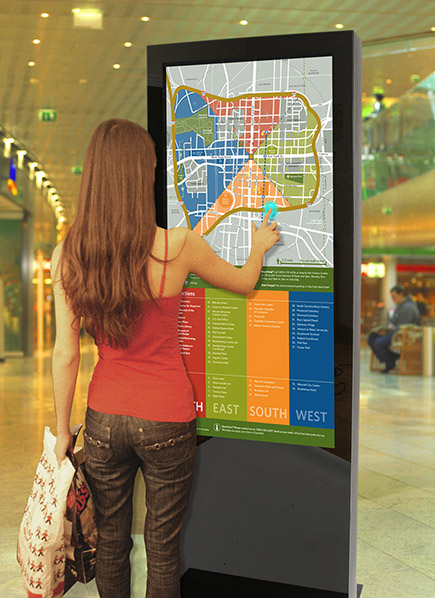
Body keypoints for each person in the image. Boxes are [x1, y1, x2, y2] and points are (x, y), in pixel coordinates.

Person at [50, 119, 279, 598]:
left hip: (105, 418)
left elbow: (66, 354)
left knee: (111, 540)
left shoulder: (70, 254)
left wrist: (62, 432)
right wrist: (257, 248)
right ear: (142, 176)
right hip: (168, 417)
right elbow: (243, 283)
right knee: (162, 545)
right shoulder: (179, 247)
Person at [367, 284, 421, 373]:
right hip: (393, 332)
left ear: (401, 294)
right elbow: (392, 321)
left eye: (394, 297)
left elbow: (404, 326)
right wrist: (385, 329)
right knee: (371, 337)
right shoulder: (400, 306)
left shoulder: (409, 308)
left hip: (400, 335)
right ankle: (392, 357)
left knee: (378, 343)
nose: (393, 300)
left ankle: (389, 361)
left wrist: (389, 330)